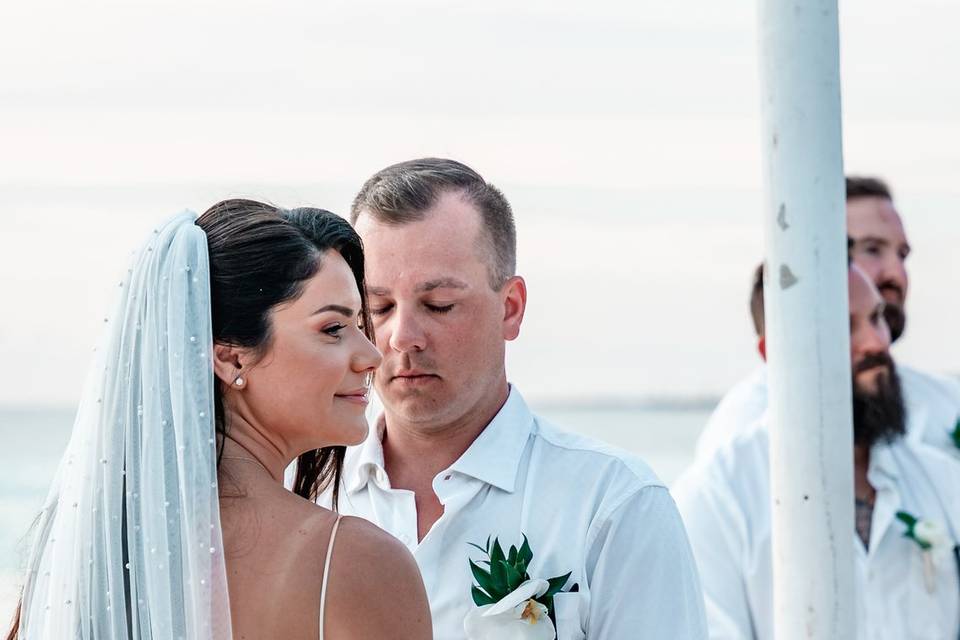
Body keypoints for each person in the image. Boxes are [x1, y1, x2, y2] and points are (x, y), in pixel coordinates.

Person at [7, 201, 432, 639]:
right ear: (229, 359)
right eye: (333, 329)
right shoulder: (355, 564)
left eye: (362, 324)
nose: (372, 355)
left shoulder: (93, 561)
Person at [324, 158, 708, 639]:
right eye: (378, 307)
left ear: (511, 308)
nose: (402, 336)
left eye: (439, 304)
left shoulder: (613, 504)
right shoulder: (305, 488)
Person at [674, 264, 960, 639]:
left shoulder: (941, 479)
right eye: (844, 325)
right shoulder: (717, 498)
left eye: (877, 318)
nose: (876, 341)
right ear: (774, 350)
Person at [695, 177, 960, 460]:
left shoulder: (944, 399)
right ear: (815, 255)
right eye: (872, 249)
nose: (896, 274)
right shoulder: (744, 430)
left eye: (902, 255)